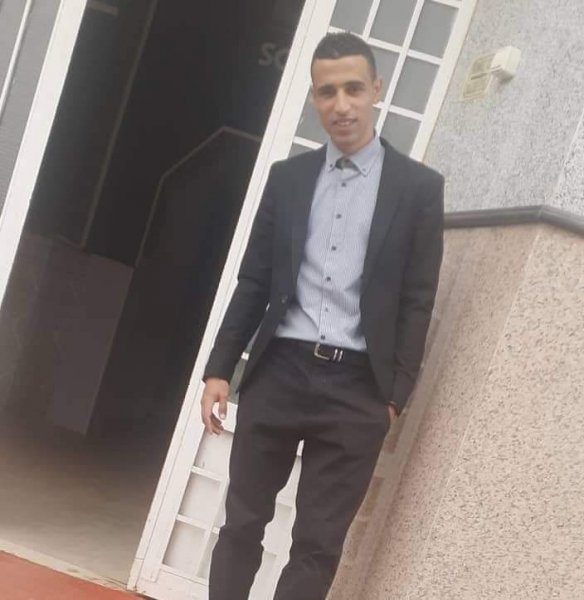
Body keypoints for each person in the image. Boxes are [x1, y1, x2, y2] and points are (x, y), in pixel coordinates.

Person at [200, 32, 444, 600]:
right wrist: (219, 368)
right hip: (279, 371)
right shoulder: (287, 179)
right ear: (314, 98)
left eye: (353, 89)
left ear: (376, 89)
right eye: (327, 92)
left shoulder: (418, 189)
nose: (341, 105)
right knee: (242, 524)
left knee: (317, 544)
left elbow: (418, 297)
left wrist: (394, 395)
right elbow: (255, 279)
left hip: (358, 388)